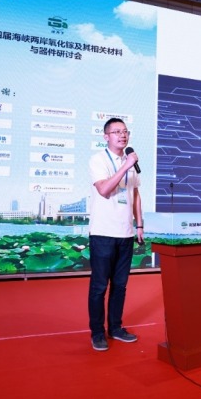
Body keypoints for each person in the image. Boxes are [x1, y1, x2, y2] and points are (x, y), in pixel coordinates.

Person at [88, 117, 143, 351]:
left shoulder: (130, 162)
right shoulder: (98, 160)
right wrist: (125, 166)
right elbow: (104, 189)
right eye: (117, 131)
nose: (123, 135)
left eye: (125, 131)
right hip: (103, 232)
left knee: (120, 285)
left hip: (126, 233)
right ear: (106, 136)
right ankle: (97, 332)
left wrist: (139, 225)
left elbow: (136, 195)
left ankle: (116, 327)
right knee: (100, 286)